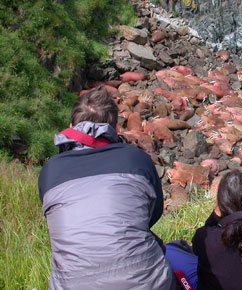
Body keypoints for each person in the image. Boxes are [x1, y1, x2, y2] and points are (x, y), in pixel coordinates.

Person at [38, 86, 176, 289]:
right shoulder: (135, 158)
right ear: (116, 128)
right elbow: (153, 215)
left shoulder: (50, 170)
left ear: (71, 126)